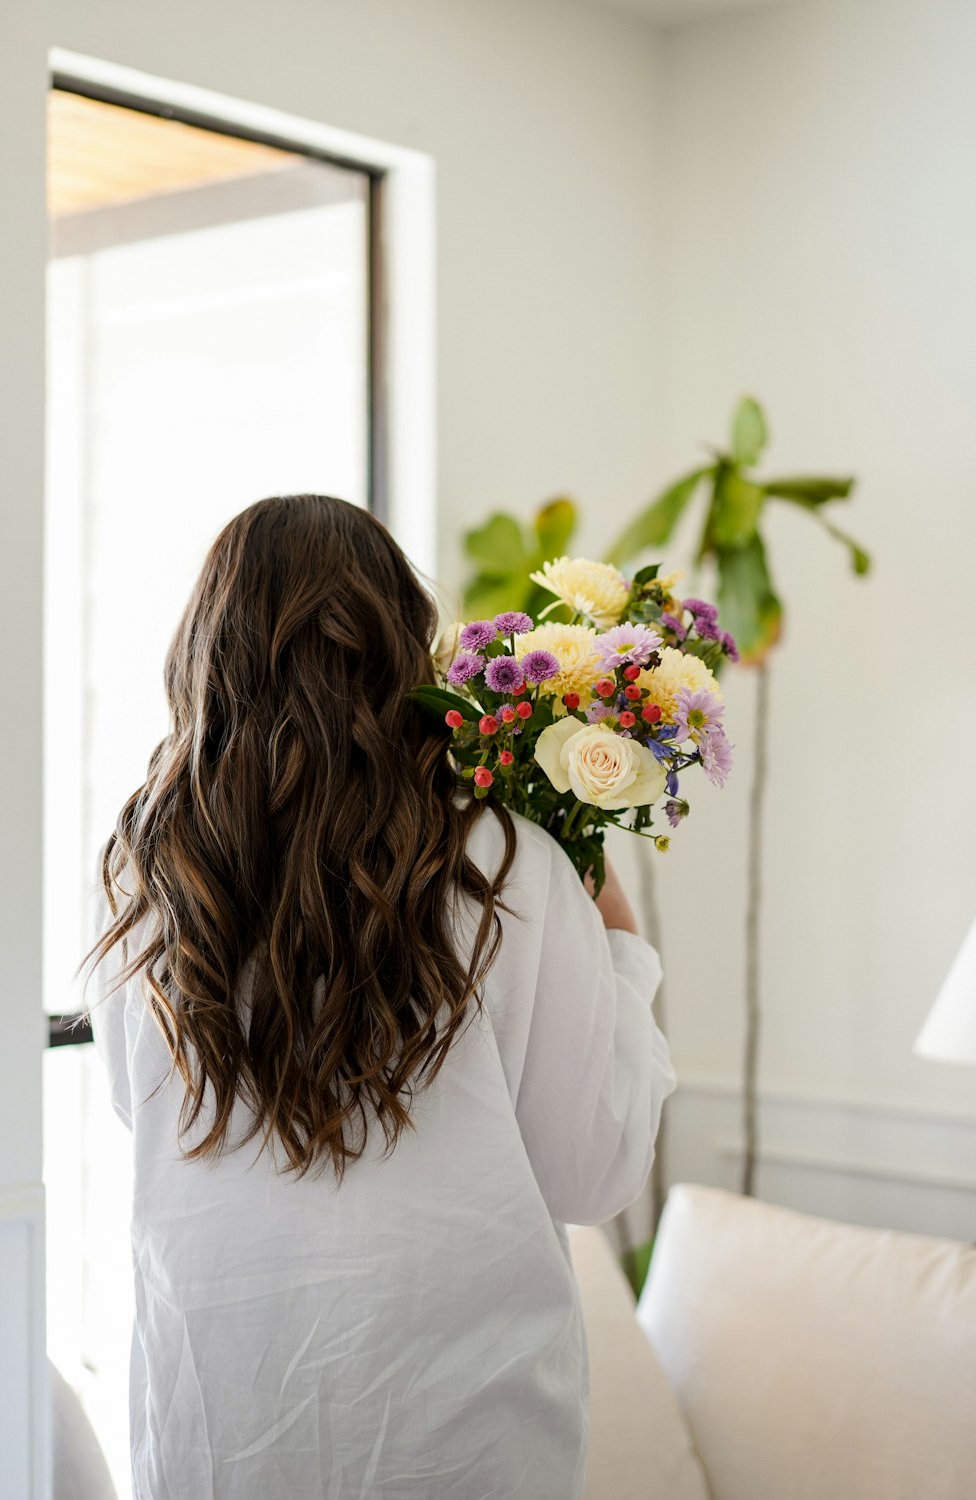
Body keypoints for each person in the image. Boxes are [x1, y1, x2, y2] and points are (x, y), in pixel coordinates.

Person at [82, 494, 675, 1500]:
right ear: (404, 648)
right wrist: (621, 946)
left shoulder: (146, 878)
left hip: (220, 1432)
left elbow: (139, 1117)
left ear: (204, 655)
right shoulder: (506, 864)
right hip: (463, 1443)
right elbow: (594, 1174)